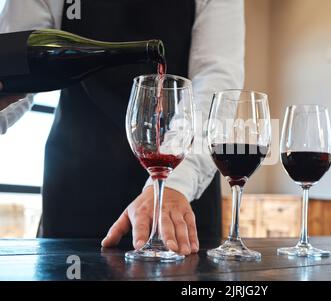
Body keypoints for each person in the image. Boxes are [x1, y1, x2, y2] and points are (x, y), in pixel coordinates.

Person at [0, 0, 244, 255]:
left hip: (179, 199)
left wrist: (174, 183)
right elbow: (18, 63)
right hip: (78, 188)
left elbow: (215, 80)